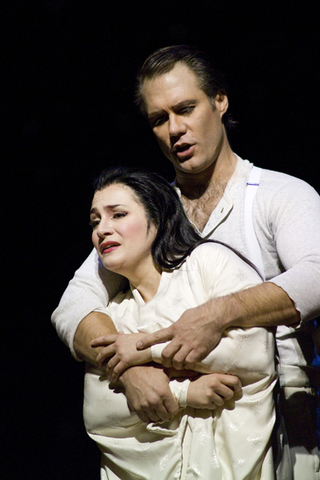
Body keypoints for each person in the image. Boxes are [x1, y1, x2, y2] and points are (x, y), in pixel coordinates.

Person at [52, 45, 320, 479]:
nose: (175, 129)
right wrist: (128, 367)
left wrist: (215, 315)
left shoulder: (277, 195)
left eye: (186, 109)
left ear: (220, 101)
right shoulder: (147, 212)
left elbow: (317, 275)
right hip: (167, 430)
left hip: (272, 415)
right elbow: (73, 307)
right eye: (159, 119)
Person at [84, 165, 276, 479]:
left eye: (117, 215)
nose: (102, 229)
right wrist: (183, 393)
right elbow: (98, 410)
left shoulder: (207, 264)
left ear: (156, 218)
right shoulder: (112, 314)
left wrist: (147, 352)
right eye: (95, 221)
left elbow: (254, 353)